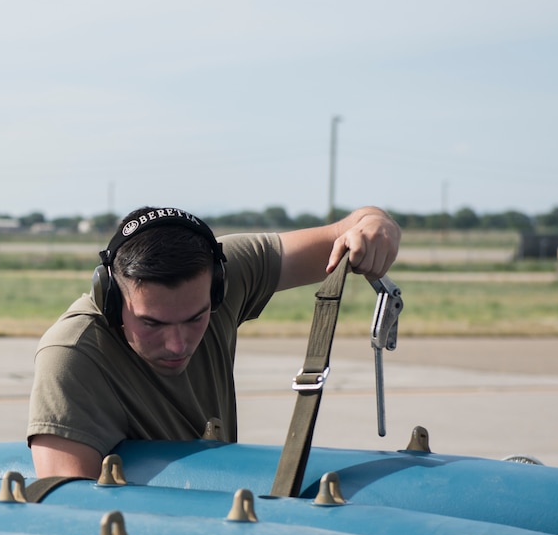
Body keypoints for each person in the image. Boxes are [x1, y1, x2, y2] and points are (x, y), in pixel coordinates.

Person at [26, 205, 401, 479]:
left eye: (196, 318)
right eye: (151, 323)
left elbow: (348, 231)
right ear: (110, 300)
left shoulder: (225, 273)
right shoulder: (71, 356)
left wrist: (376, 226)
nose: (177, 344)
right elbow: (69, 514)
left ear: (219, 287)